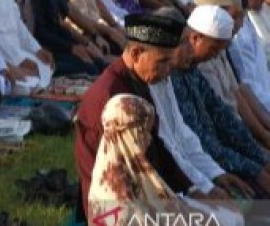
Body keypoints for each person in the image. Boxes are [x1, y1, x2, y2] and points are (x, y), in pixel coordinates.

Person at [75, 12, 197, 207]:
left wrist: (192, 189)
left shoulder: (137, 81)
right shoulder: (112, 98)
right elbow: (125, 175)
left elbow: (157, 147)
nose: (167, 71)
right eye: (162, 62)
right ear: (136, 54)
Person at [87, 94, 242, 226]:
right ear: (126, 135)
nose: (148, 139)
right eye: (142, 133)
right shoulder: (114, 192)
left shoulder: (133, 165)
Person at [174, 6, 270, 195]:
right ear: (195, 38)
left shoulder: (192, 71)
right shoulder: (174, 76)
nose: (217, 55)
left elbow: (224, 119)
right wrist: (255, 168)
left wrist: (261, 158)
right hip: (204, 169)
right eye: (214, 48)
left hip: (222, 158)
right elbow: (204, 142)